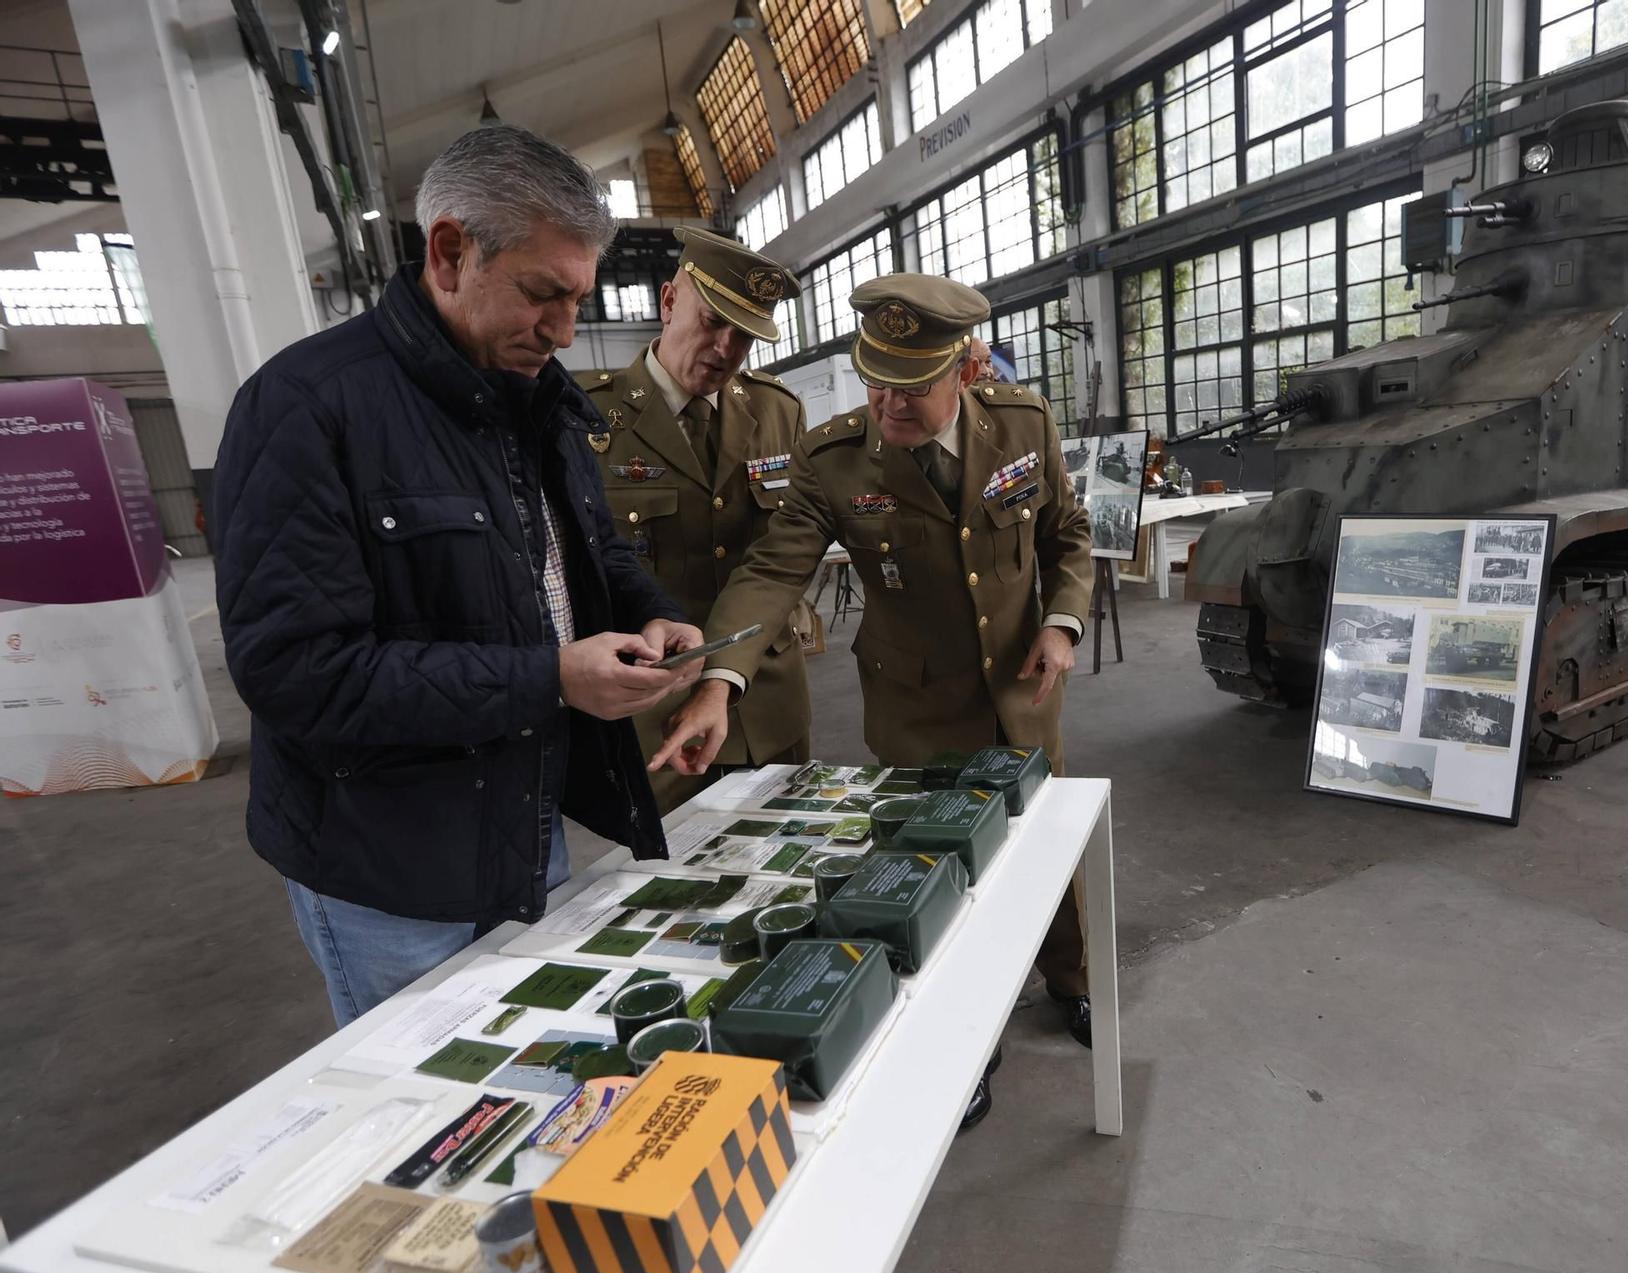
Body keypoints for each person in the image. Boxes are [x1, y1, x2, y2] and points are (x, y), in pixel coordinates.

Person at [212, 126, 704, 1026]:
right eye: (541, 294)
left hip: (524, 826)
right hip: (386, 870)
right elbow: (298, 671)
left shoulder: (536, 399)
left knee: (537, 1060)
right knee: (424, 1089)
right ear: (449, 253)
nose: (564, 330)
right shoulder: (307, 408)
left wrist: (654, 613)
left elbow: (590, 550)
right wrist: (552, 679)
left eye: (578, 299)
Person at [656, 274, 1095, 1129]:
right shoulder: (834, 459)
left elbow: (1065, 535)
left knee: (1049, 855)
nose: (888, 403)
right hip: (914, 711)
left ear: (967, 370)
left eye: (912, 385)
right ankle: (967, 1045)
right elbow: (773, 571)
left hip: (1022, 692)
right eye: (875, 381)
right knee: (933, 883)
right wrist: (719, 680)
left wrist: (1063, 620)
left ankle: (1071, 980)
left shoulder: (1023, 424)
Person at [587, 228, 813, 814]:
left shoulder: (777, 411)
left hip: (768, 700)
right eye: (712, 321)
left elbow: (786, 551)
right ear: (669, 302)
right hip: (658, 713)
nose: (725, 349)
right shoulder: (588, 418)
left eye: (745, 336)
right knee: (683, 866)